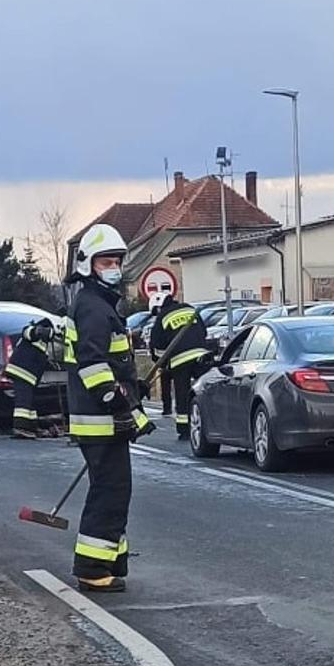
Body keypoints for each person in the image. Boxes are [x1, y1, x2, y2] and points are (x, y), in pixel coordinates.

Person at [64, 223, 154, 593]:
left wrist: (135, 388)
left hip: (103, 420)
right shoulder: (92, 308)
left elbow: (112, 364)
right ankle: (92, 569)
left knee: (114, 489)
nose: (113, 267)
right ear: (88, 265)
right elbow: (93, 366)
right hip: (101, 420)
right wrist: (122, 402)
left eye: (116, 260)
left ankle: (111, 560)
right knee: (110, 492)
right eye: (105, 261)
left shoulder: (97, 304)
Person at [149, 293, 211, 439]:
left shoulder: (162, 317)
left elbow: (157, 345)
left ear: (158, 307)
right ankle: (209, 425)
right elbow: (204, 331)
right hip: (201, 356)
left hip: (180, 361)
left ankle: (184, 430)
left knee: (182, 396)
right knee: (204, 392)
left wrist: (162, 363)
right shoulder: (189, 309)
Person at [4, 317, 57, 439]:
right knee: (23, 402)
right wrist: (40, 331)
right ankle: (20, 427)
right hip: (21, 373)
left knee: (30, 402)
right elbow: (28, 332)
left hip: (28, 376)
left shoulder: (43, 344)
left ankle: (32, 426)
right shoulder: (32, 333)